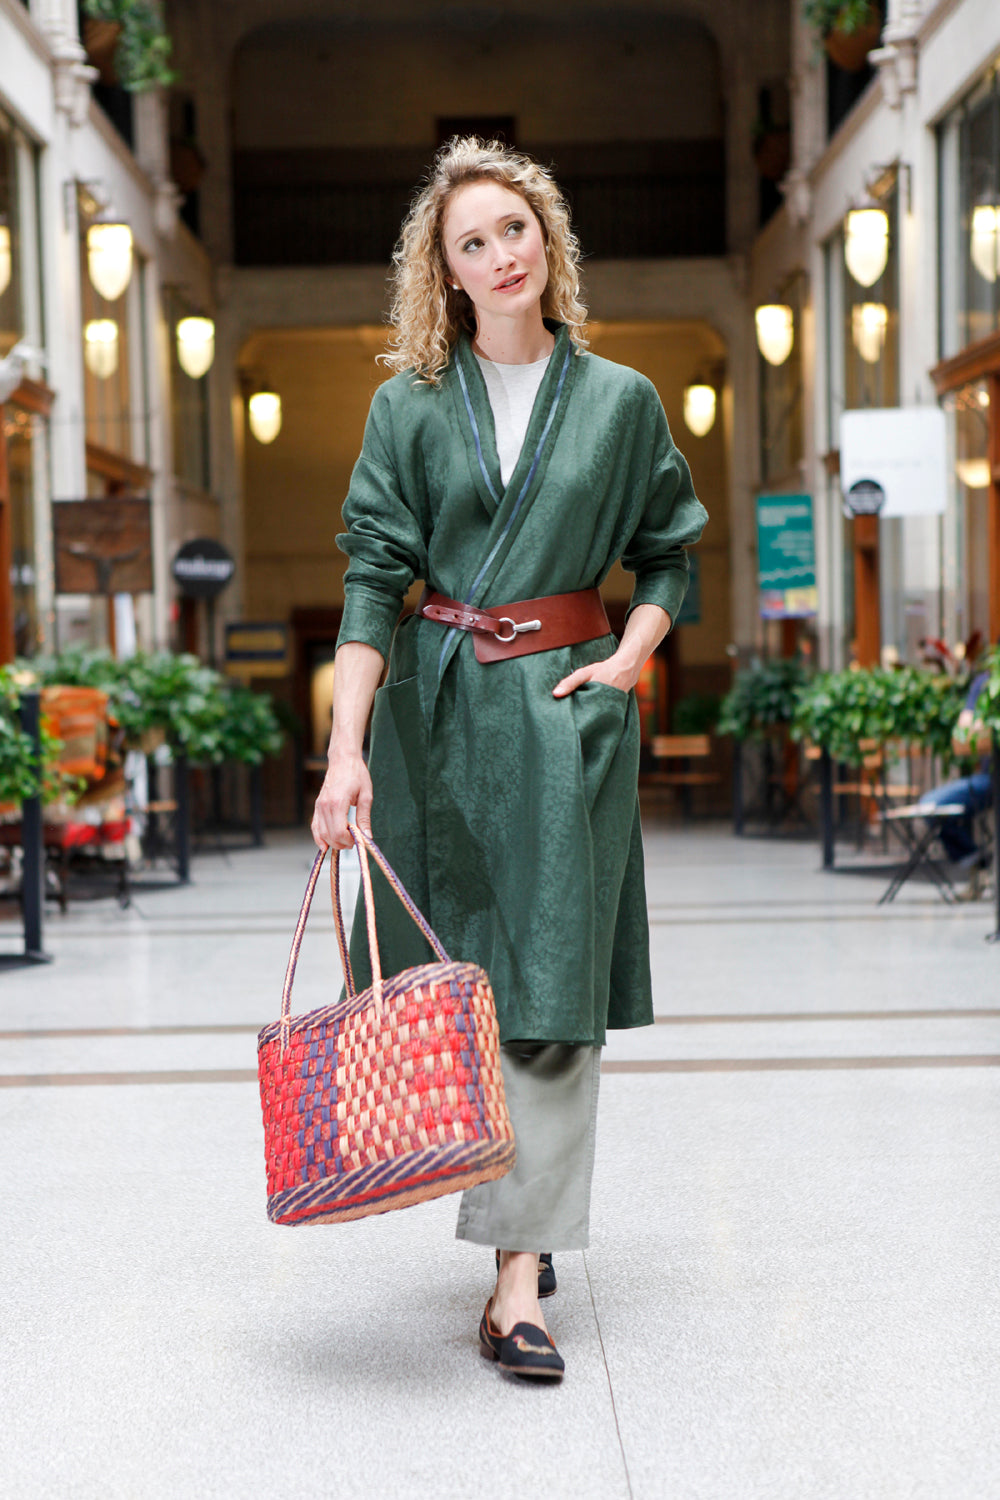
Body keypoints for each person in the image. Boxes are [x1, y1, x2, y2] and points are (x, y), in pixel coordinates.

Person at [311, 137, 708, 1380]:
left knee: (547, 983)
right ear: (446, 272)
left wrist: (631, 657)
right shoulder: (407, 405)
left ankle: (518, 1276)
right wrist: (345, 754)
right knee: (454, 977)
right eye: (470, 242)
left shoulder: (621, 399)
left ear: (549, 244)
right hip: (433, 721)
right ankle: (500, 1226)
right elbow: (373, 582)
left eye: (514, 230)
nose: (498, 255)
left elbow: (670, 552)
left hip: (560, 711)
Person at [918, 667, 993, 893]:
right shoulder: (986, 683)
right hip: (990, 780)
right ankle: (975, 860)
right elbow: (962, 735)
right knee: (931, 806)